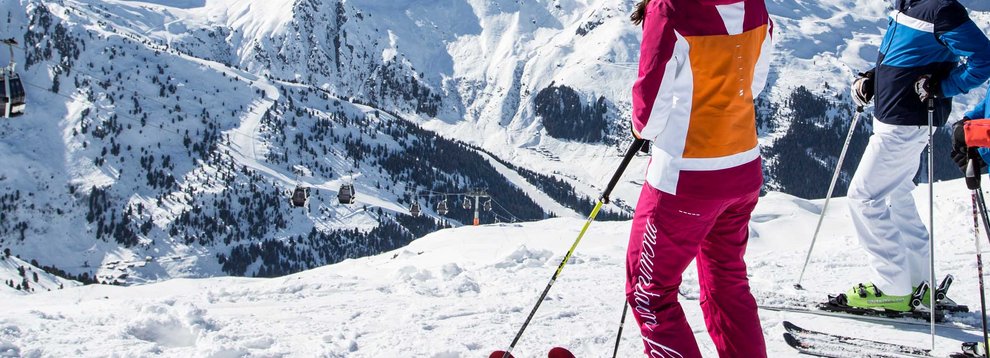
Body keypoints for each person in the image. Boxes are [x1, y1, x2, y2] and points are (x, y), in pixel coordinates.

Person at [625, 0, 773, 356]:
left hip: (686, 178)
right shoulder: (753, 3)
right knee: (728, 286)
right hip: (742, 167)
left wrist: (645, 131)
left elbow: (649, 109)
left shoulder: (671, 7)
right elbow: (756, 80)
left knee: (649, 293)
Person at [846, 0, 990, 312]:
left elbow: (985, 59)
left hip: (905, 122)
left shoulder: (940, 10)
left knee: (863, 197)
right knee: (898, 195)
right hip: (894, 117)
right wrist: (875, 77)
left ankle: (893, 286)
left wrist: (943, 86)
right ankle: (919, 283)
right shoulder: (907, 6)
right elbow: (910, 57)